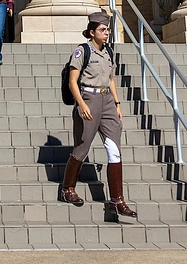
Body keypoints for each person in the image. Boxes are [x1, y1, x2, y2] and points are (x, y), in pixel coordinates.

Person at [59, 12, 137, 220]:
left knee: (114, 150)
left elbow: (111, 78)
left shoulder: (108, 51)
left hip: (108, 102)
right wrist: (82, 104)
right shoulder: (82, 51)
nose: (106, 33)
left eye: (108, 30)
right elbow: (72, 82)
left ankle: (117, 201)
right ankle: (68, 189)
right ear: (92, 32)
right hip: (89, 99)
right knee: (82, 148)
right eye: (103, 30)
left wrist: (117, 103)